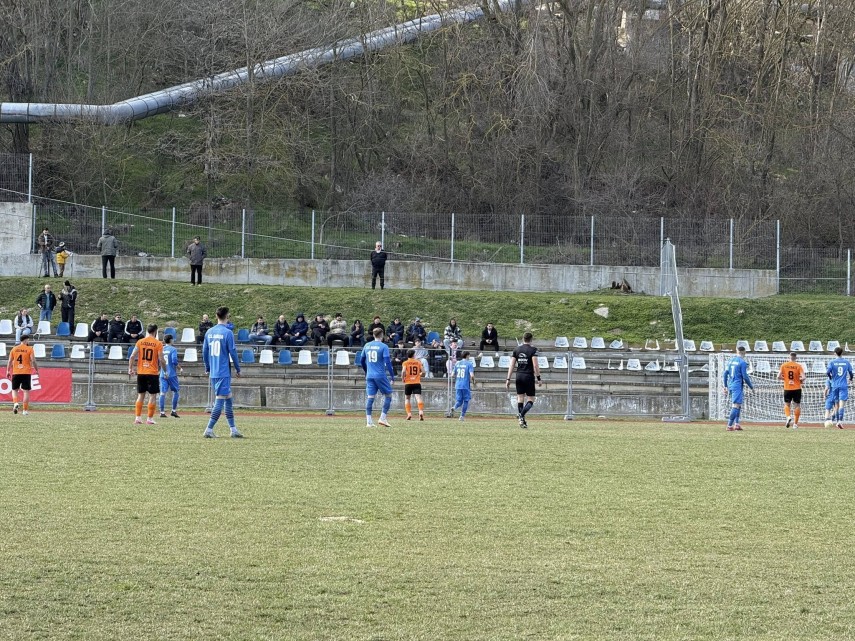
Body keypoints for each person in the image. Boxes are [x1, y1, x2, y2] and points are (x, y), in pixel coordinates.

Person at [202, 306, 244, 438]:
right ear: (227, 316)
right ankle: (208, 429)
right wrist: (238, 368)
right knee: (220, 400)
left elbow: (204, 352)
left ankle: (233, 429)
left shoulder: (209, 332)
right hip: (223, 371)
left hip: (214, 371)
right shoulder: (227, 333)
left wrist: (207, 367)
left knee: (228, 399)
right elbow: (233, 352)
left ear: (216, 316)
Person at [128, 324, 167, 425]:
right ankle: (149, 419)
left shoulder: (140, 342)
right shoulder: (158, 343)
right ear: (155, 331)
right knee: (152, 396)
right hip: (152, 373)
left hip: (141, 372)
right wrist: (165, 370)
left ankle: (138, 418)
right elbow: (162, 359)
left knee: (140, 396)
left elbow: (132, 356)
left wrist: (130, 368)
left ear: (147, 331)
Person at [506, 332, 542, 428]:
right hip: (528, 376)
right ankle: (521, 415)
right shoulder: (533, 350)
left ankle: (522, 422)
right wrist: (539, 378)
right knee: (531, 399)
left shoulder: (516, 349)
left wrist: (508, 378)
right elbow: (535, 365)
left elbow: (512, 365)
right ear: (531, 339)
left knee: (520, 398)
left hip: (519, 376)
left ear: (523, 339)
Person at [362, 327, 395, 427]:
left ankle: (369, 422)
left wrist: (366, 371)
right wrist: (392, 376)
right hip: (380, 375)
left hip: (370, 375)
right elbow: (387, 362)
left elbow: (362, 361)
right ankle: (382, 418)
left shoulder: (367, 345)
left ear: (373, 335)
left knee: (370, 397)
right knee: (388, 396)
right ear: (382, 335)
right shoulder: (383, 346)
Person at [723, 345, 754, 431]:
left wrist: (725, 386)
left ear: (737, 352)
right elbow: (745, 376)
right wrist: (751, 387)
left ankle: (736, 424)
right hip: (737, 386)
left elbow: (725, 374)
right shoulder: (742, 362)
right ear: (744, 352)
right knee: (736, 405)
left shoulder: (730, 361)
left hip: (731, 384)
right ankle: (729, 425)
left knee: (738, 405)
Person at [7, 333, 39, 415]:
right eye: (28, 339)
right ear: (25, 340)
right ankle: (25, 411)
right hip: (26, 372)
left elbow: (10, 361)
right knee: (26, 391)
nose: (29, 341)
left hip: (16, 372)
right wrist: (36, 369)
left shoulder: (14, 349)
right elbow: (33, 360)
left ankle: (15, 403)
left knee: (14, 390)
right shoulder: (29, 349)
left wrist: (8, 371)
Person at [825, 346, 853, 429]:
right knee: (841, 405)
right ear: (842, 353)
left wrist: (830, 378)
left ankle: (835, 421)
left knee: (836, 405)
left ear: (834, 353)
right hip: (843, 386)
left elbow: (827, 372)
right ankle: (839, 421)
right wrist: (850, 379)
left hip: (834, 386)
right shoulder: (846, 362)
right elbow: (851, 373)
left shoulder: (832, 362)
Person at [777, 352, 805, 429]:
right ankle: (795, 424)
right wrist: (799, 380)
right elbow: (803, 377)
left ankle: (788, 416)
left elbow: (778, 376)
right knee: (797, 405)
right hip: (797, 388)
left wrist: (785, 379)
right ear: (796, 358)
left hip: (787, 388)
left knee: (787, 404)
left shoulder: (784, 365)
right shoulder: (798, 366)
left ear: (789, 357)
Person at [158, 334, 183, 418]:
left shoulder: (161, 349)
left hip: (163, 374)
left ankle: (162, 412)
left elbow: (159, 360)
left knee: (162, 393)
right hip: (172, 374)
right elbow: (174, 361)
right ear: (171, 340)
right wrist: (180, 368)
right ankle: (173, 411)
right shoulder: (173, 349)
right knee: (176, 392)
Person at [448, 351, 475, 421]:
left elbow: (452, 374)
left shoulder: (457, 363)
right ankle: (462, 416)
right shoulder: (469, 364)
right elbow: (472, 375)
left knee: (459, 401)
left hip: (458, 385)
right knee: (466, 401)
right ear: (467, 356)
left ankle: (454, 407)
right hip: (465, 385)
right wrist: (473, 381)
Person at [402, 349, 426, 421]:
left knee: (407, 398)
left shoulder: (405, 363)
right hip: (416, 382)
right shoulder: (418, 362)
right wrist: (420, 375)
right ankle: (421, 412)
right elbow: (424, 372)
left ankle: (409, 414)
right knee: (418, 397)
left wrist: (403, 378)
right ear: (413, 355)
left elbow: (403, 371)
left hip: (408, 383)